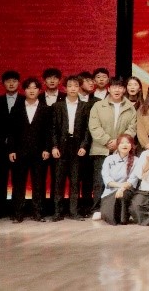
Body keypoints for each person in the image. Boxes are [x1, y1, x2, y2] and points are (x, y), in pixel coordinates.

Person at [87, 77, 137, 220]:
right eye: (114, 87)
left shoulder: (130, 107)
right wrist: (108, 141)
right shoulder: (98, 106)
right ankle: (98, 208)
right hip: (101, 148)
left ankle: (117, 209)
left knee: (121, 179)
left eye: (120, 87)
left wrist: (119, 143)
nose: (117, 90)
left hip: (122, 150)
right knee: (99, 181)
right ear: (109, 89)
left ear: (124, 89)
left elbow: (132, 128)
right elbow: (94, 126)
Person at [7, 77, 52, 223]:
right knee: (18, 184)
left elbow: (48, 132)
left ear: (39, 90)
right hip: (20, 152)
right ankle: (17, 214)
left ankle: (38, 213)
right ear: (24, 90)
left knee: (39, 183)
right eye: (28, 88)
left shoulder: (45, 109)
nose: (32, 90)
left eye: (35, 88)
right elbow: (11, 132)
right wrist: (11, 150)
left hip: (39, 153)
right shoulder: (16, 109)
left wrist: (47, 149)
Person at [49, 75, 91, 220]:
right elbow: (53, 129)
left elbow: (88, 129)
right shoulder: (57, 106)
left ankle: (74, 212)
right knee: (58, 181)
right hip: (61, 146)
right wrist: (54, 146)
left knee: (75, 181)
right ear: (65, 88)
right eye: (70, 86)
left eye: (76, 86)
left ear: (79, 88)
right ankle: (57, 212)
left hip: (77, 146)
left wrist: (84, 146)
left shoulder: (85, 106)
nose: (73, 88)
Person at [0, 70, 22, 220]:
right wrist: (6, 138)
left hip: (19, 147)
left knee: (17, 179)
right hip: (0, 146)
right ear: (3, 83)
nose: (11, 83)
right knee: (0, 178)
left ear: (18, 83)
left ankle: (16, 210)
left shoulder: (24, 100)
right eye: (8, 81)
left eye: (14, 81)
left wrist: (14, 139)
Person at [99, 133, 139, 225]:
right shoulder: (109, 159)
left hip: (126, 191)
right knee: (108, 215)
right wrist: (120, 186)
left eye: (128, 143)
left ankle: (123, 218)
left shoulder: (136, 160)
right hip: (110, 193)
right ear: (117, 145)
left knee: (123, 195)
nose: (125, 145)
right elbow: (107, 179)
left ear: (132, 146)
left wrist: (122, 189)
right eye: (122, 143)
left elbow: (132, 180)